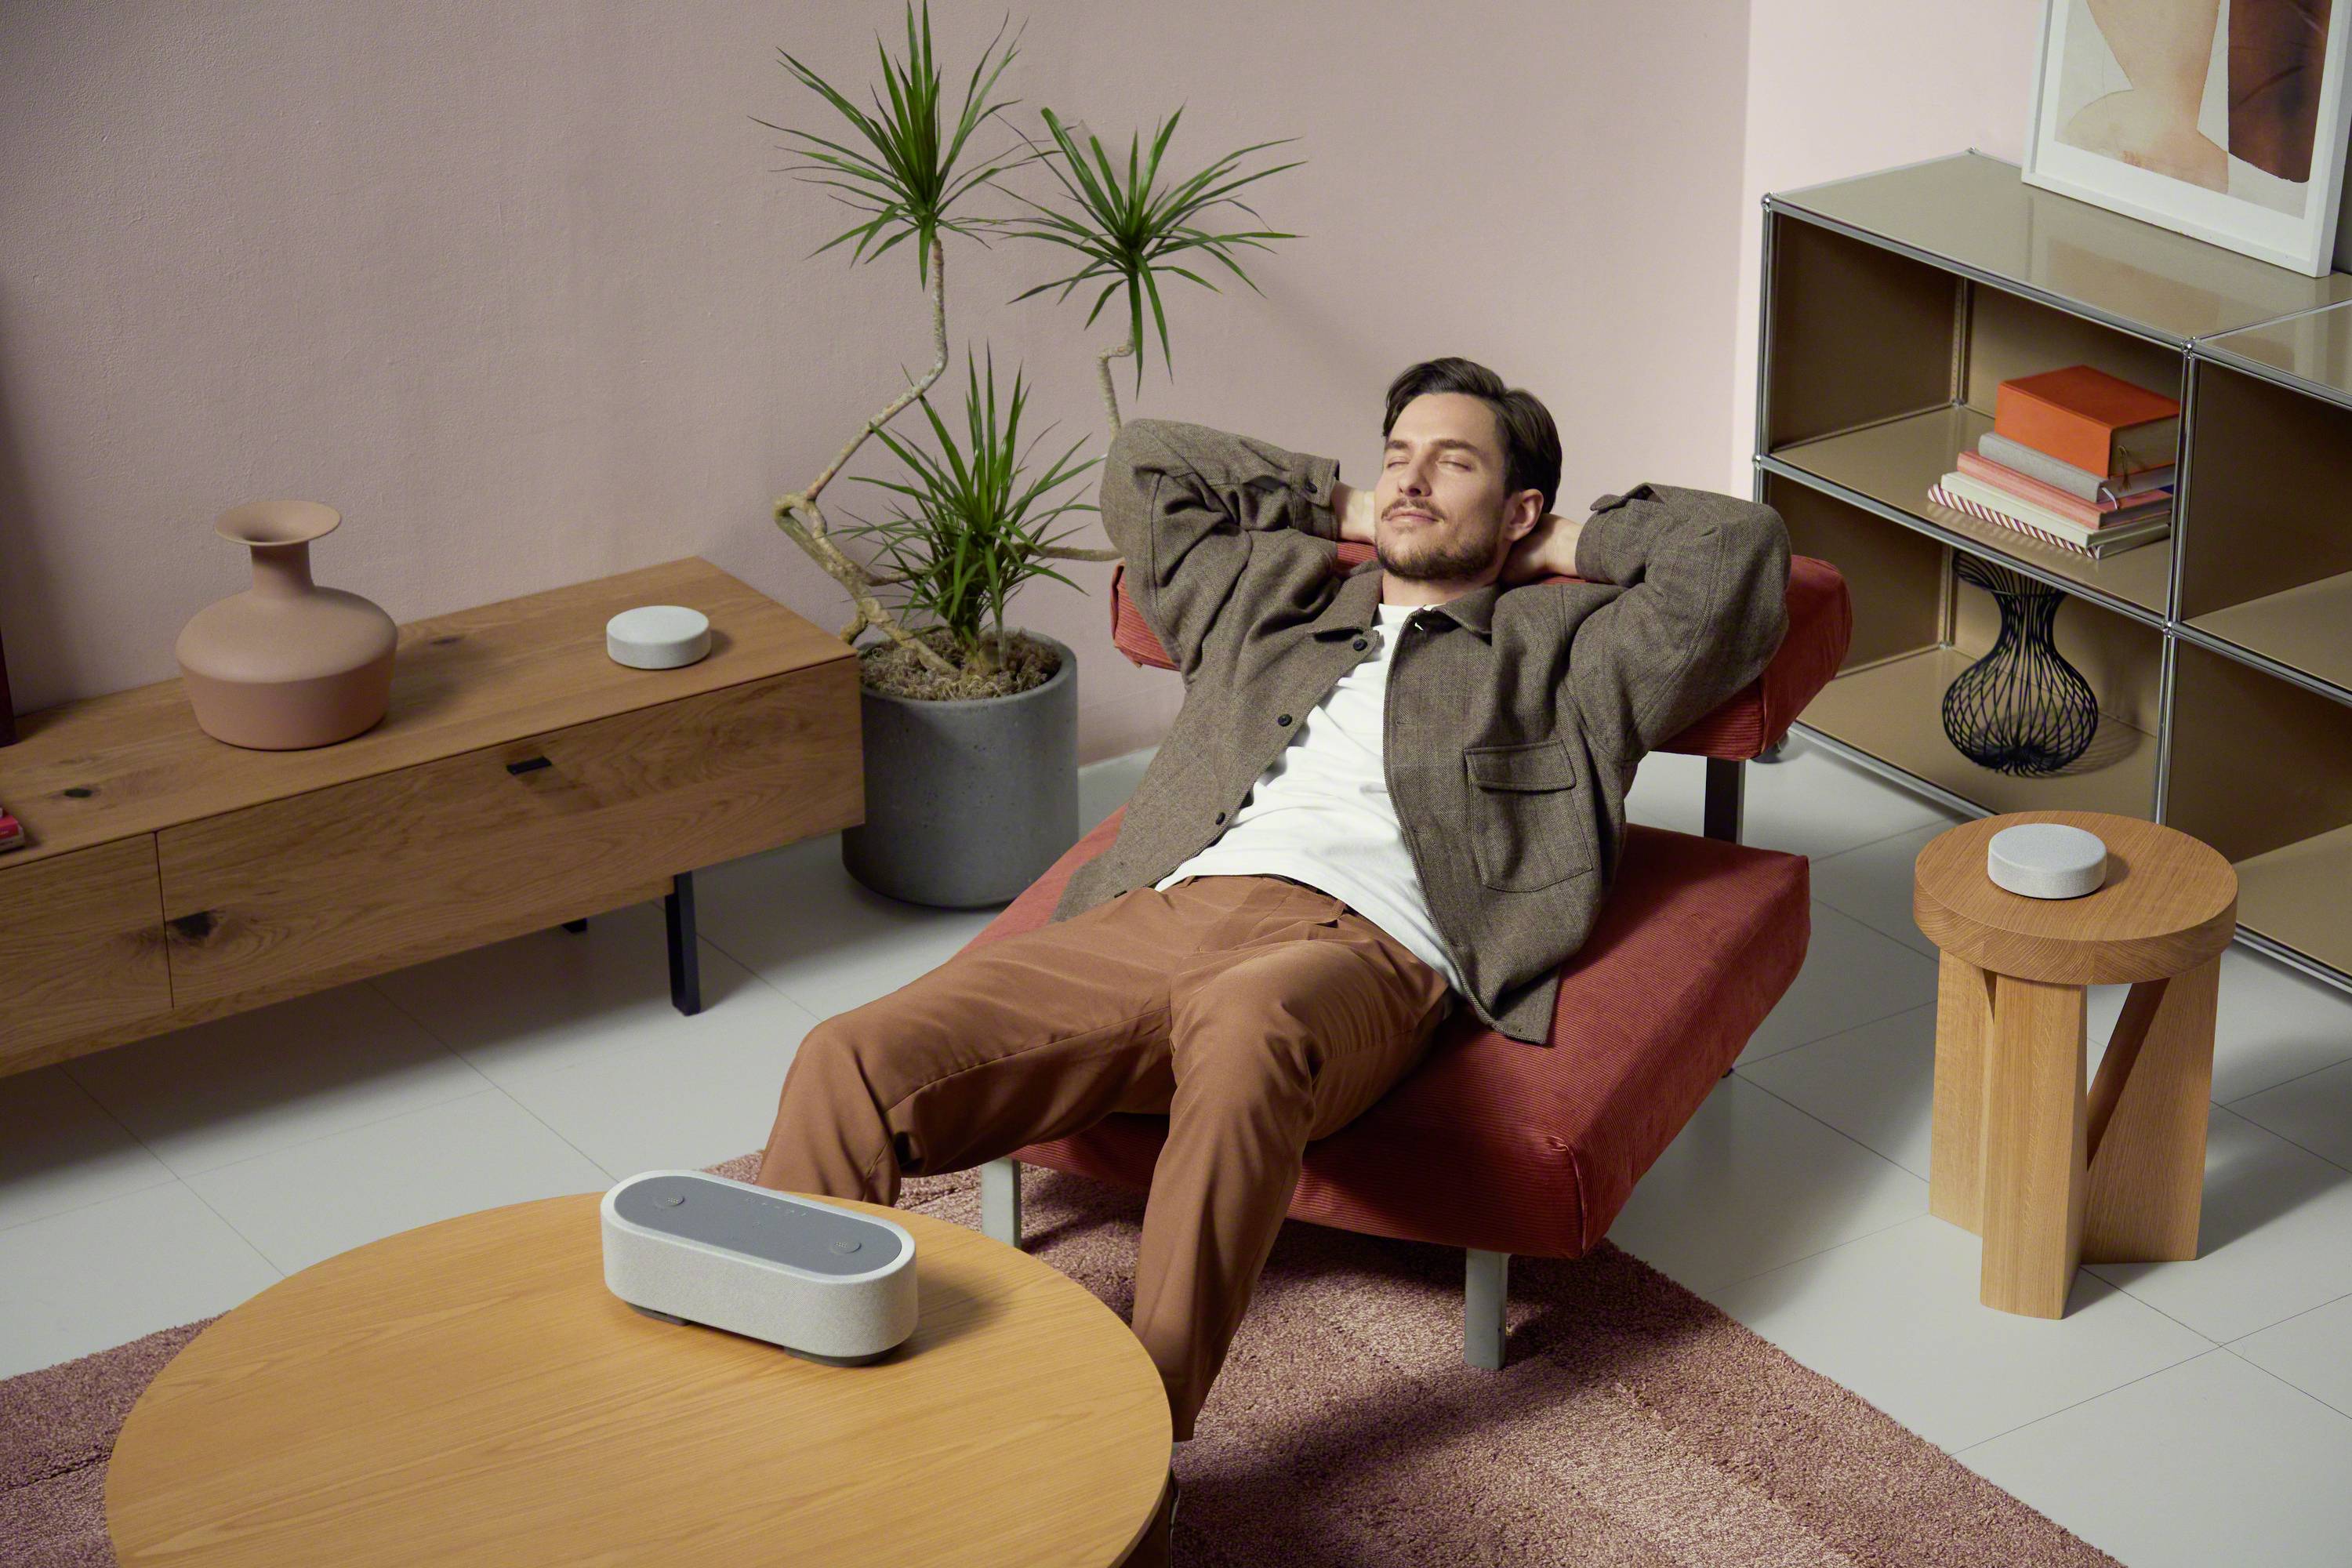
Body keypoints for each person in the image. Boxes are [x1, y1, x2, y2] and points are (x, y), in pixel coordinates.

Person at [756, 356, 1791, 1559]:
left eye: (1453, 464)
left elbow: (1738, 552)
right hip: (1165, 910)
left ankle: (1132, 1456)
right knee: (850, 1056)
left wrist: (1551, 545)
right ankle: (795, 1422)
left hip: (1367, 949)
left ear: (1518, 510)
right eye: (1400, 455)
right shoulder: (1277, 594)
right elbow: (1146, 462)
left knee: (1248, 1031)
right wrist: (1351, 507)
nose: (1413, 480)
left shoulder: (1570, 650)